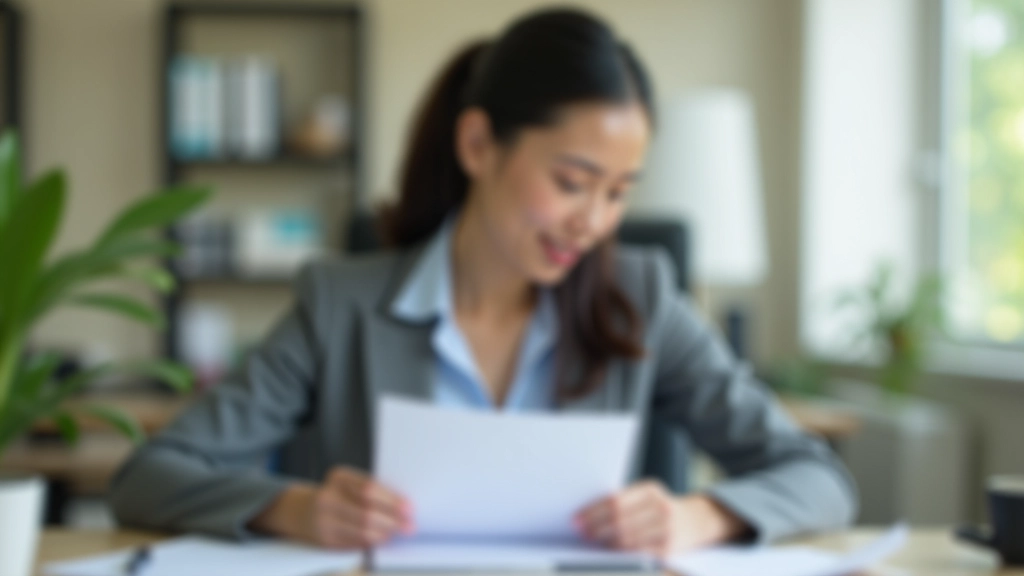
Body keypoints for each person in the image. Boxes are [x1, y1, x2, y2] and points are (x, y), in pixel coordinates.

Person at [111, 8, 856, 556]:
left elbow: (816, 477)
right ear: (477, 144)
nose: (592, 221)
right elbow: (150, 476)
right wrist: (293, 508)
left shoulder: (642, 296)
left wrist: (702, 516)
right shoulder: (339, 305)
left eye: (620, 191)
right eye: (572, 182)